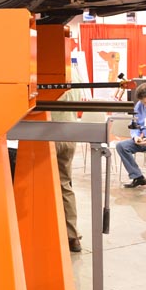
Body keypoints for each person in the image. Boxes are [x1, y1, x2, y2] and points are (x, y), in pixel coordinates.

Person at [53, 80, 84, 253]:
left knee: (35, 183)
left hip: (46, 134)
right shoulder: (76, 75)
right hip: (70, 135)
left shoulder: (45, 72)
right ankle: (72, 236)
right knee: (64, 184)